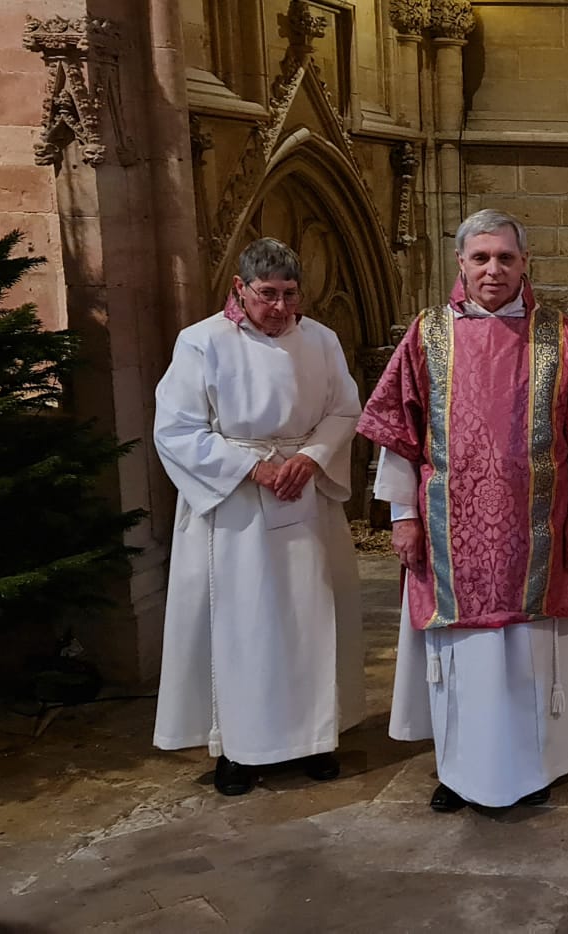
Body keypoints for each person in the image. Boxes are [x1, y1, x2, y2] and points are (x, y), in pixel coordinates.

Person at [358, 209, 568, 814]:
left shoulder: (559, 335)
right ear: (461, 264)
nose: (493, 269)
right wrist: (402, 514)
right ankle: (459, 770)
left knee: (529, 653)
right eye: (481, 258)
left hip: (538, 527)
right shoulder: (428, 335)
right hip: (453, 533)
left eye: (505, 257)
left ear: (525, 263)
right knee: (465, 658)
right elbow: (399, 430)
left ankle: (537, 768)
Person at [153, 237, 365, 796]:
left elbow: (346, 408)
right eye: (266, 294)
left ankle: (317, 739)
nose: (279, 308)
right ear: (239, 290)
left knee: (311, 618)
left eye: (289, 295)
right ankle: (241, 749)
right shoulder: (201, 342)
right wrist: (251, 470)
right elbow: (176, 430)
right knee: (245, 627)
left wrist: (311, 458)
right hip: (236, 509)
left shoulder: (321, 340)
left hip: (304, 500)